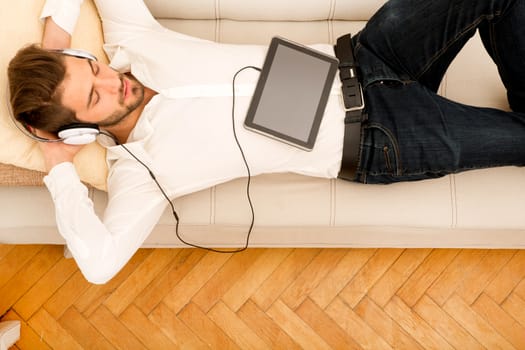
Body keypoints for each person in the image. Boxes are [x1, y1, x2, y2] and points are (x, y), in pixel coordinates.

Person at [7, 0, 525, 284]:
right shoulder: (140, 174)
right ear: (78, 131)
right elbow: (98, 265)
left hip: (368, 57)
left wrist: (54, 44)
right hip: (378, 136)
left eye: (91, 69)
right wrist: (59, 168)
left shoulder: (132, 42)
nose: (111, 82)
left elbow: (86, 49)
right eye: (93, 99)